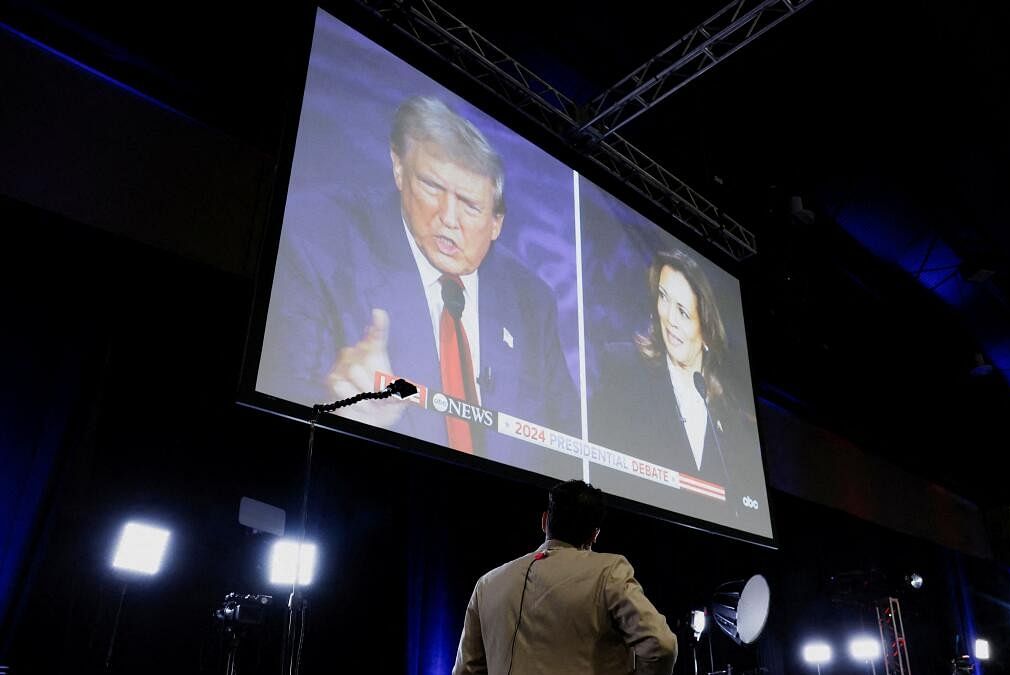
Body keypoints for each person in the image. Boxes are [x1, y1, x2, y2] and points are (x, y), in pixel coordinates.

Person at [259, 96, 580, 476]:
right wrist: (339, 401)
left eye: (469, 205)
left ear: (497, 223)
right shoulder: (317, 238)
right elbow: (279, 391)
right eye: (431, 186)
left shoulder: (531, 299)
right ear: (398, 168)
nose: (448, 218)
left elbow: (566, 445)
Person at [587, 249, 758, 524]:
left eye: (683, 311)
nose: (670, 320)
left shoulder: (730, 411)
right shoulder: (622, 367)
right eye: (663, 298)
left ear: (706, 327)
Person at [452, 480, 677, 675]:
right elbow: (661, 645)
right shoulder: (609, 572)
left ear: (544, 521)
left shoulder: (487, 584)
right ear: (594, 534)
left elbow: (467, 670)